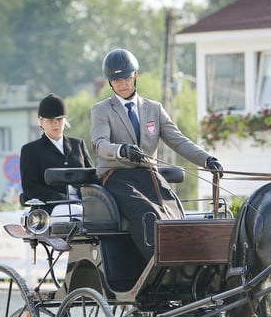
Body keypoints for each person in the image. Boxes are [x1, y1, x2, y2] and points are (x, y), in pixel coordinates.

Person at [91, 48, 223, 262]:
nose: (122, 84)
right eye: (116, 80)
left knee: (174, 211)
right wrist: (120, 150)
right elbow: (99, 143)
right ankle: (159, 264)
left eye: (126, 78)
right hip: (117, 176)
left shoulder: (154, 109)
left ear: (135, 76)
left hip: (148, 175)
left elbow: (178, 140)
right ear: (109, 82)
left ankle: (191, 260)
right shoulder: (102, 110)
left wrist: (206, 159)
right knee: (147, 212)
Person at [20, 93, 94, 218]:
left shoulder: (78, 144)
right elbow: (30, 187)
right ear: (41, 122)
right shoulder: (31, 150)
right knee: (78, 213)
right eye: (51, 121)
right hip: (52, 206)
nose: (56, 124)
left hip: (84, 202)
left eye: (59, 120)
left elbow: (92, 176)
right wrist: (59, 198)